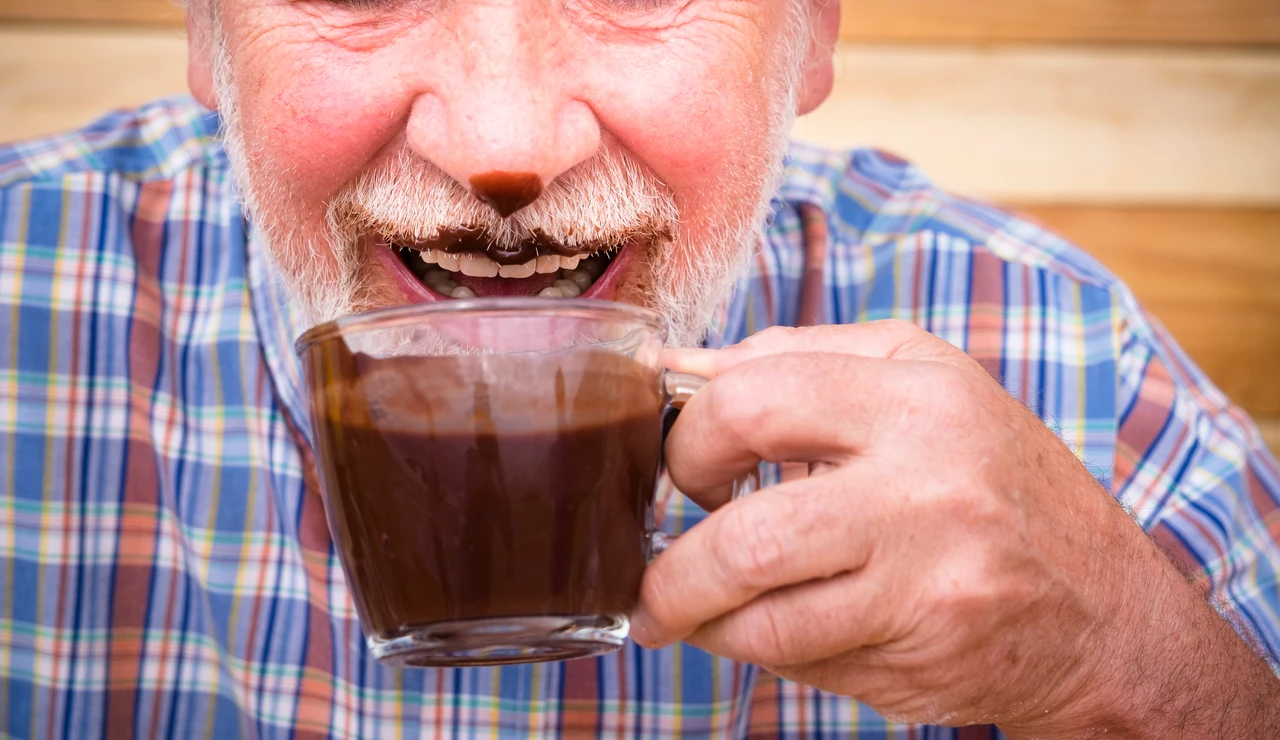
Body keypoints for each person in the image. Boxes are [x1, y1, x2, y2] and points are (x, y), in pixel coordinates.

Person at [0, 0, 1276, 736]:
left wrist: (1119, 660)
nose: (501, 146)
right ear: (207, 32)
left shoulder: (1057, 358)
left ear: (809, 30)